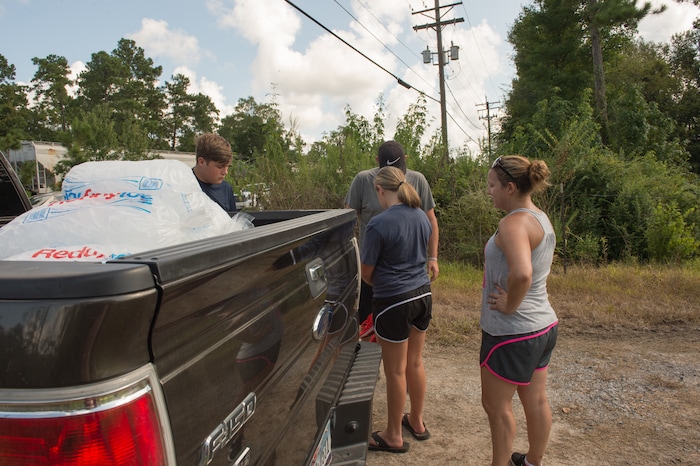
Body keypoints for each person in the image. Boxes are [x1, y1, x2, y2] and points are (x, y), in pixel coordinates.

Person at [480, 155, 559, 466]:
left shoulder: (512, 223)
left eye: (492, 185)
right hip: (542, 327)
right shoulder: (539, 217)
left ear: (510, 187)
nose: (489, 191)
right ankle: (532, 461)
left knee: (496, 408)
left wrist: (509, 305)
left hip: (511, 333)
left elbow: (523, 273)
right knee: (536, 400)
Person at [362, 166, 433, 454]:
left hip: (393, 301)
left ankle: (393, 435)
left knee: (394, 371)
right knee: (414, 362)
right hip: (423, 296)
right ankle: (416, 420)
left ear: (380, 190)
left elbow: (367, 273)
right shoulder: (421, 216)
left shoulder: (378, 224)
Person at [345, 140, 439, 342]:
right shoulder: (363, 180)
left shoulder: (418, 180)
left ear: (406, 160)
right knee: (367, 328)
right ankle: (370, 364)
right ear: (377, 162)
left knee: (393, 348)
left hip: (403, 277)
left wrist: (433, 257)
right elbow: (347, 220)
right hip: (373, 269)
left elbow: (432, 220)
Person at [193, 133, 238, 214]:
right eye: (220, 167)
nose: (225, 172)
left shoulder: (226, 189)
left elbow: (232, 223)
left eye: (227, 166)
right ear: (201, 162)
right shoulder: (183, 185)